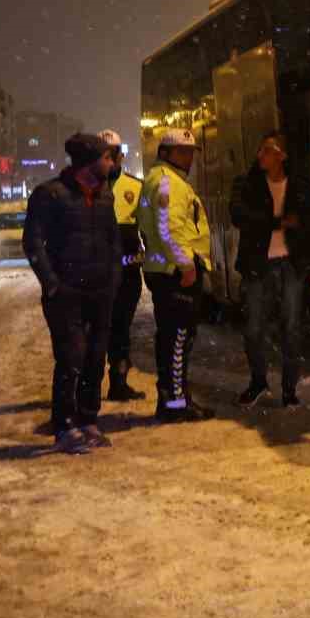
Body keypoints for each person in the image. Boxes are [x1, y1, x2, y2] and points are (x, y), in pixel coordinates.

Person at [22, 132, 122, 453]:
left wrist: (114, 278)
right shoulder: (50, 194)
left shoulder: (106, 195)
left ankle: (88, 420)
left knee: (96, 356)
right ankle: (64, 425)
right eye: (107, 158)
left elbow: (113, 239)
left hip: (100, 291)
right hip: (66, 294)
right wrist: (52, 284)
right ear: (89, 162)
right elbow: (33, 242)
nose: (112, 163)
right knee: (71, 357)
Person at [230, 132, 310, 409]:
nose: (260, 156)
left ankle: (289, 390)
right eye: (260, 151)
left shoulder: (301, 186)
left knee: (292, 328)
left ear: (281, 155)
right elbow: (238, 216)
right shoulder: (247, 184)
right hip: (258, 266)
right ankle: (258, 382)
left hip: (291, 265)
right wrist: (276, 222)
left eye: (267, 151)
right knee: (254, 329)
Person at [136, 127, 216, 423]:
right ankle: (177, 405)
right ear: (165, 153)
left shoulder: (160, 179)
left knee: (171, 338)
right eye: (182, 152)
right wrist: (187, 266)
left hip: (164, 271)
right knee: (180, 338)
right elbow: (168, 231)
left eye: (191, 152)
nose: (188, 158)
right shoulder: (168, 183)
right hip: (174, 273)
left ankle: (172, 401)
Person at [99, 128, 145, 401]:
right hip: (97, 275)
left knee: (121, 329)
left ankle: (119, 382)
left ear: (121, 156)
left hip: (127, 274)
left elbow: (148, 229)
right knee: (97, 331)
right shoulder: (86, 187)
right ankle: (89, 388)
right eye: (102, 155)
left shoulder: (135, 188)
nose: (107, 160)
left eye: (111, 155)